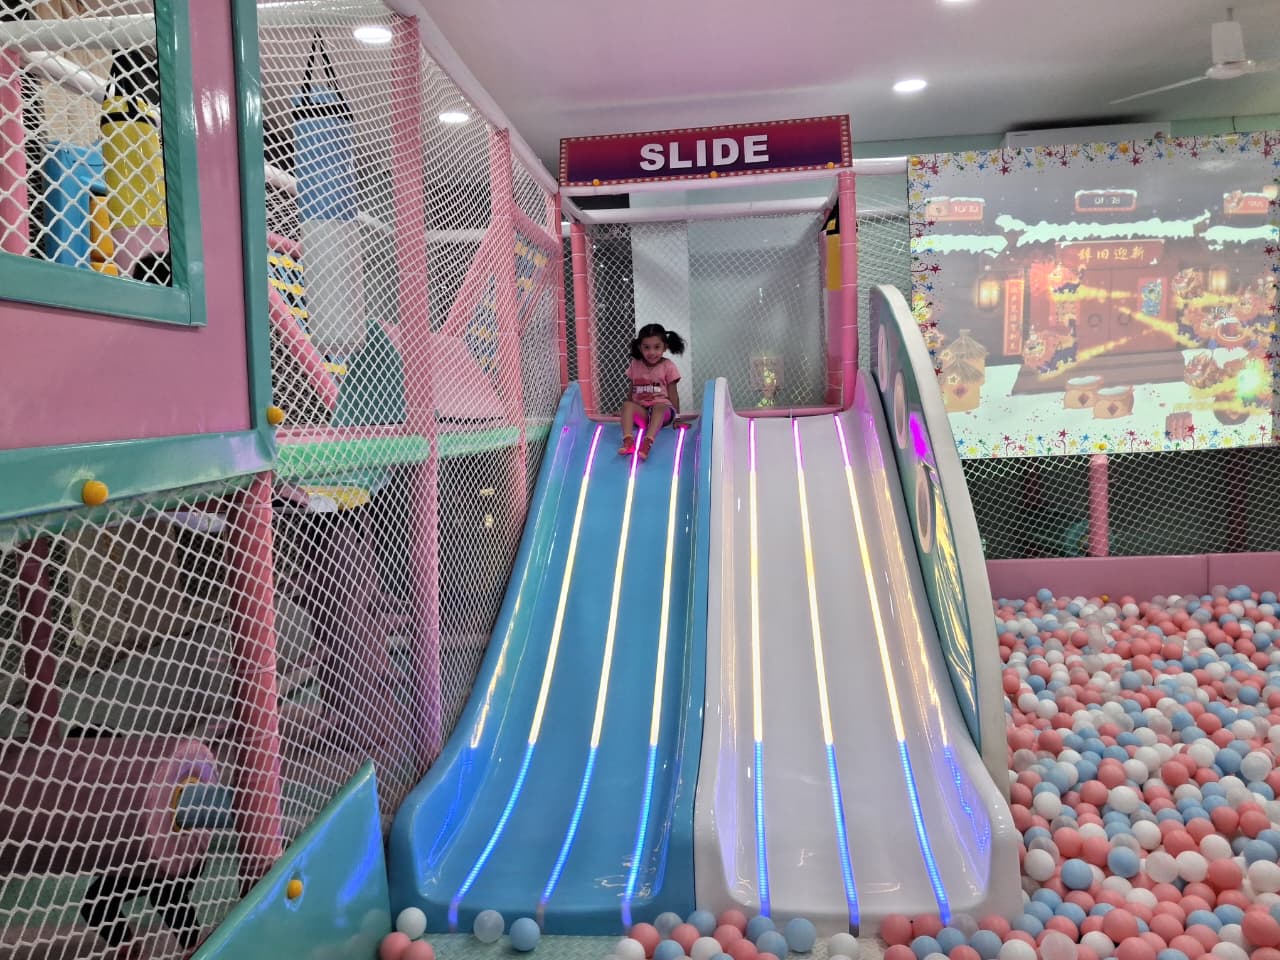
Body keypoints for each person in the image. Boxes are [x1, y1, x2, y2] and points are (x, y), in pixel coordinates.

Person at [618, 323, 685, 461]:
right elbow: (632, 389)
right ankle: (628, 441)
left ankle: (647, 442)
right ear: (640, 347)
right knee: (626, 405)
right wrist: (626, 413)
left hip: (663, 413)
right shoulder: (635, 364)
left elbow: (673, 394)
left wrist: (677, 418)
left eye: (656, 347)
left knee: (659, 406)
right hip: (643, 413)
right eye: (646, 347)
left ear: (664, 347)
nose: (651, 352)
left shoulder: (668, 366)